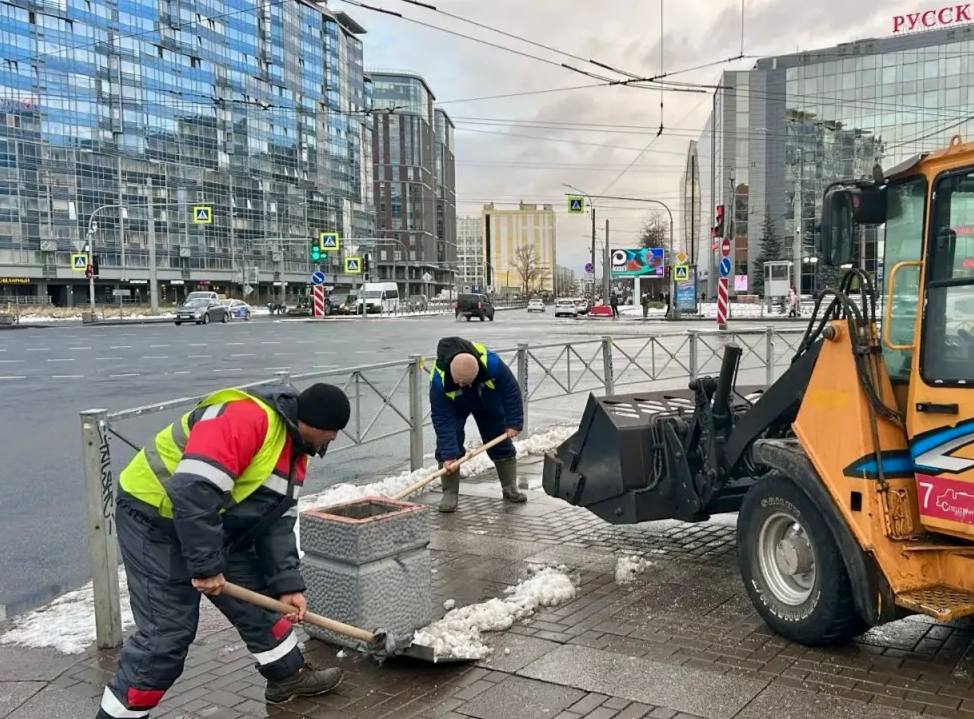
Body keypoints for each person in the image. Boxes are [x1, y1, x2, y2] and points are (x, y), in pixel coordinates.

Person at [96, 382, 351, 719]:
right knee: (166, 637)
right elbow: (190, 490)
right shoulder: (247, 419)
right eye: (330, 438)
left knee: (260, 601)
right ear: (317, 427)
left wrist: (286, 585)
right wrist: (205, 566)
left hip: (209, 520)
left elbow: (275, 523)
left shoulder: (293, 451)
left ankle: (288, 677)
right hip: (153, 517)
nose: (327, 446)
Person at [430, 336, 525, 513]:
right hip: (455, 405)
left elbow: (510, 392)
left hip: (486, 397)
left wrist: (514, 423)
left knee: (498, 436)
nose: (466, 385)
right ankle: (449, 493)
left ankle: (510, 487)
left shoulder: (492, 363)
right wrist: (449, 455)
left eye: (469, 382)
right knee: (448, 446)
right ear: (455, 378)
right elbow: (443, 420)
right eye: (462, 383)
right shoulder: (439, 380)